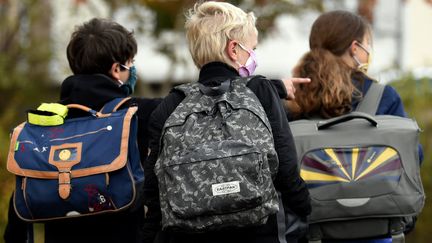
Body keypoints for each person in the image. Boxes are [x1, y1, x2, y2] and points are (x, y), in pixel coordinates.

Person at [142, 2, 311, 243]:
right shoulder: (260, 91)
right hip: (259, 232)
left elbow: (154, 188)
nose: (254, 55)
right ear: (234, 49)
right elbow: (286, 166)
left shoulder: (170, 105)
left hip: (188, 234)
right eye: (252, 48)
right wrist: (304, 207)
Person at [3, 17, 162, 243]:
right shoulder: (140, 114)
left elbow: (20, 202)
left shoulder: (46, 124)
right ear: (117, 69)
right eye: (130, 62)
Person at [285, 10, 423, 242]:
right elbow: (412, 154)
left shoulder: (295, 98)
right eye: (368, 44)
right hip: (378, 223)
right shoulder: (383, 96)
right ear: (355, 47)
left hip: (314, 228)